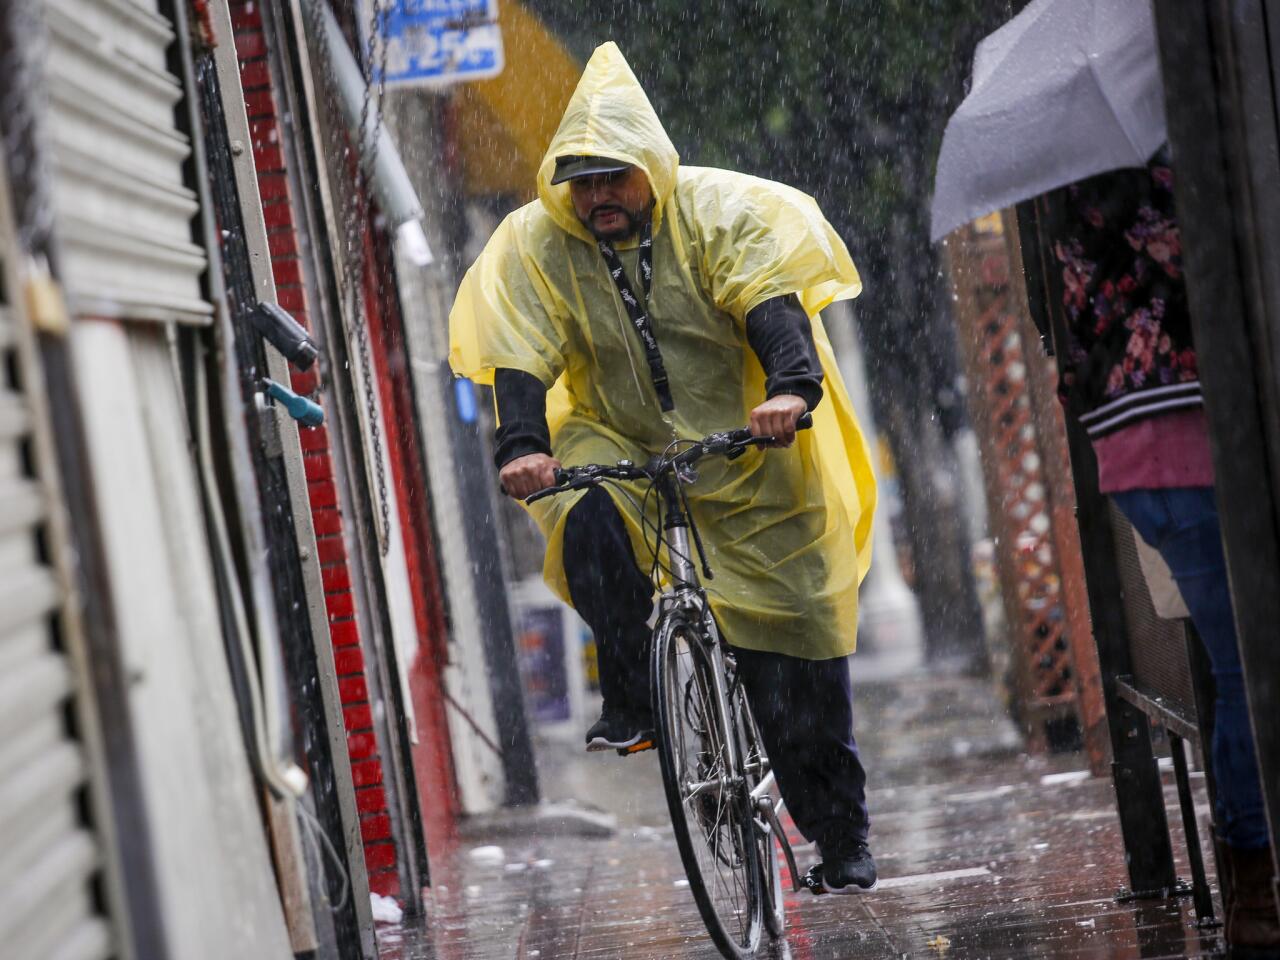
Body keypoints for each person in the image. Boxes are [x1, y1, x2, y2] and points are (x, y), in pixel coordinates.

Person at [449, 42, 879, 894]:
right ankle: (636, 694)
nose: (598, 195)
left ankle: (841, 836)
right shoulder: (539, 245)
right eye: (581, 179)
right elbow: (522, 356)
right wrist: (522, 444)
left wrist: (791, 391)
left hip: (754, 448)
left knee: (795, 667)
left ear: (651, 167)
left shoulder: (718, 213)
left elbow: (770, 302)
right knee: (590, 513)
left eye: (614, 175)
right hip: (619, 438)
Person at [1047, 153, 1278, 952]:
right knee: (1249, 665)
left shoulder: (1080, 182)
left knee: (1240, 663)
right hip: (1181, 439)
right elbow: (1212, 250)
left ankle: (1255, 878)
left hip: (1151, 447)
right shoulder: (1142, 176)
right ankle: (1256, 884)